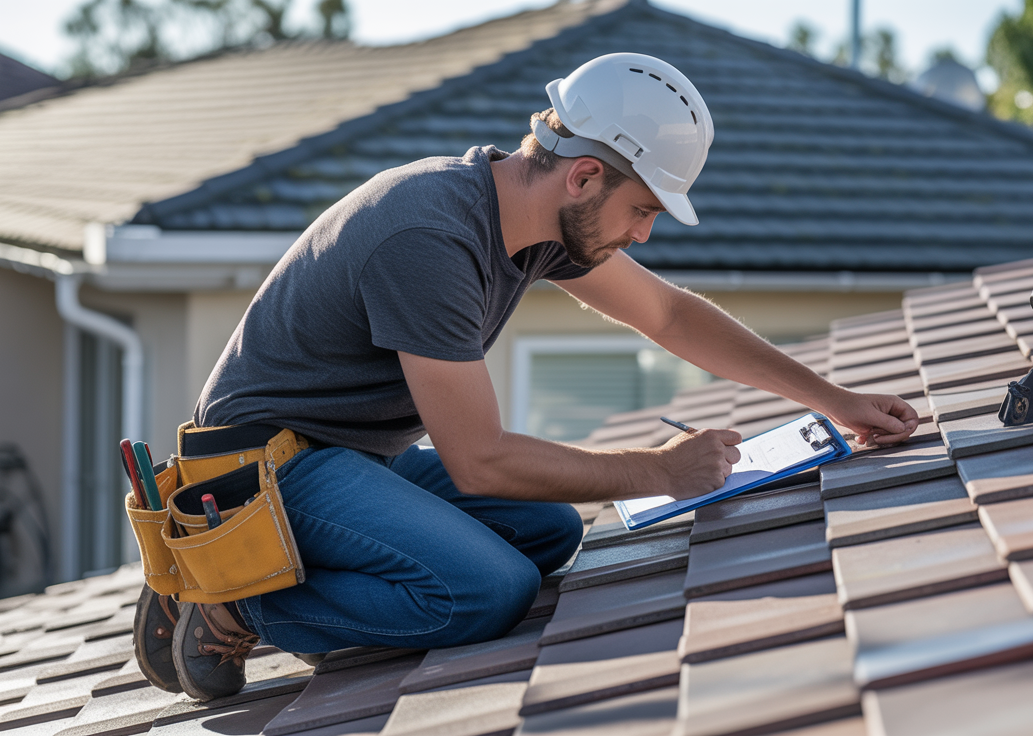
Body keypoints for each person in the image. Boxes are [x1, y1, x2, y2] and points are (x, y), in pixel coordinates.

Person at [133, 53, 918, 701]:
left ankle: (316, 587)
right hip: (263, 471)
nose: (644, 233)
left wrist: (835, 400)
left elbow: (670, 316)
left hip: (346, 457)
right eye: (642, 210)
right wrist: (661, 470)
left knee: (551, 530)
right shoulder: (429, 238)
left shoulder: (531, 226)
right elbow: (480, 459)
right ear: (582, 177)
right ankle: (232, 595)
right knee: (487, 591)